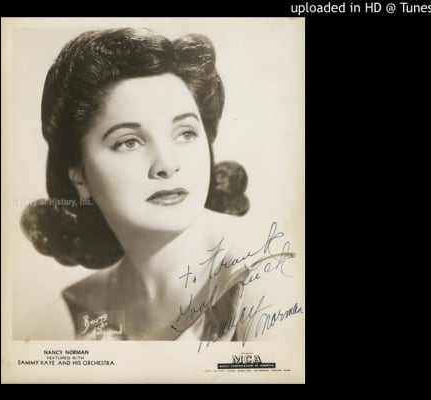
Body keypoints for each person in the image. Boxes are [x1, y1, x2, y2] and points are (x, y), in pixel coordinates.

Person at [21, 27, 267, 341]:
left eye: (185, 133)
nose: (167, 164)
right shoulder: (85, 307)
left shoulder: (262, 270)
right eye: (129, 142)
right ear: (79, 178)